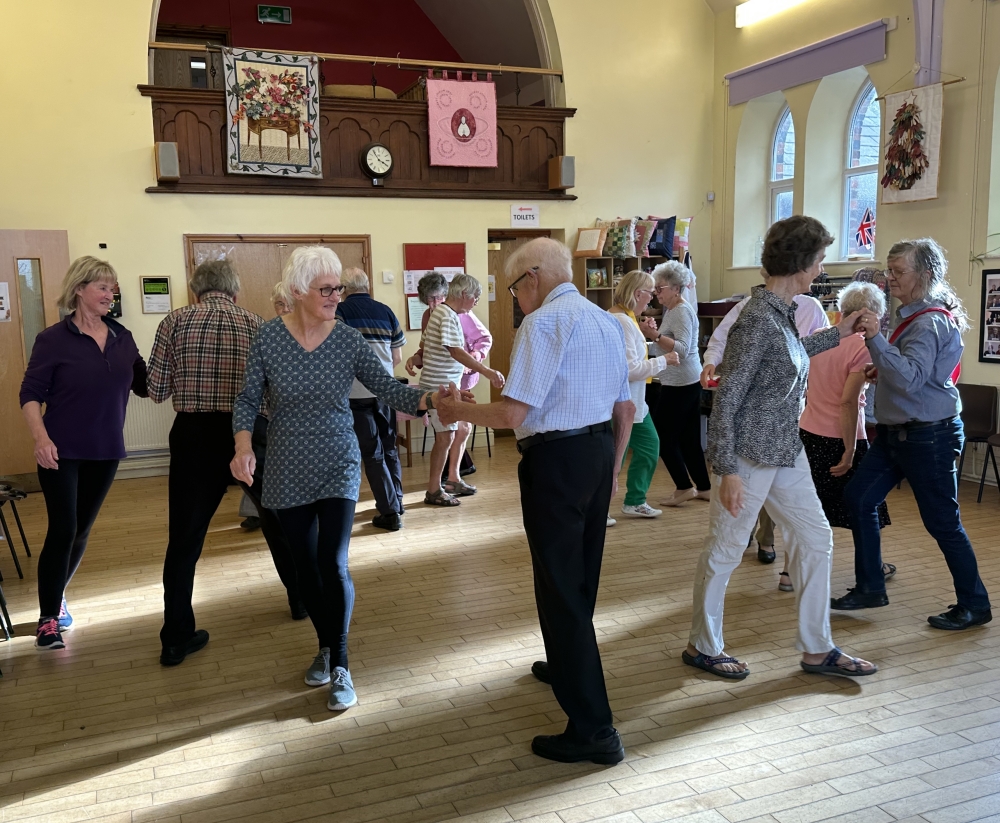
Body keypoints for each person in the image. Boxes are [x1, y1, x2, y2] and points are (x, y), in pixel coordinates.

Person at [436, 237, 634, 765]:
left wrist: (455, 411)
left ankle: (594, 729)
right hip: (593, 456)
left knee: (559, 582)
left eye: (514, 288)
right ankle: (564, 661)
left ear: (533, 279)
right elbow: (625, 409)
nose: (516, 299)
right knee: (578, 576)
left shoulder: (543, 324)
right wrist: (613, 471)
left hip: (557, 463)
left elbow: (511, 416)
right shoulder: (605, 321)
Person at [230, 246, 437, 712]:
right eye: (327, 289)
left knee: (334, 563)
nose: (336, 297)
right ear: (299, 290)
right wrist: (244, 447)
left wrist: (434, 400)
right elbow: (247, 402)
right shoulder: (267, 339)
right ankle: (325, 645)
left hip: (338, 459)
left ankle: (339, 662)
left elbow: (386, 387)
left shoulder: (346, 339)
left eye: (338, 288)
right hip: (285, 464)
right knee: (305, 570)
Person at [685, 215, 877, 681]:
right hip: (749, 456)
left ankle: (817, 649)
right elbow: (727, 396)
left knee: (815, 539)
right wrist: (726, 469)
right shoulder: (756, 319)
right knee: (726, 549)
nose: (821, 270)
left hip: (784, 450)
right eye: (819, 261)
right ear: (802, 262)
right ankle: (702, 646)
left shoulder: (780, 312)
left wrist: (841, 331)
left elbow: (789, 358)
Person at [832, 238, 993, 630]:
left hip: (928, 437)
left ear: (925, 275)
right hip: (898, 434)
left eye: (898, 271)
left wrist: (875, 342)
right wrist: (880, 367)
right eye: (889, 271)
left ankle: (975, 604)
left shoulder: (928, 322)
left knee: (942, 523)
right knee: (858, 498)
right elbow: (907, 373)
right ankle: (871, 586)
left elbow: (910, 379)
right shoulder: (912, 316)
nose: (890, 279)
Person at [19, 257, 148, 650]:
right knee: (63, 529)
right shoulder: (53, 339)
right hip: (60, 449)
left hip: (105, 449)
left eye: (113, 288)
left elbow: (145, 383)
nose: (111, 294)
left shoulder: (122, 336)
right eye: (103, 287)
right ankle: (47, 619)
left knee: (81, 530)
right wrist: (41, 440)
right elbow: (30, 394)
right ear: (80, 289)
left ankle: (57, 596)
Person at [148, 259, 265, 666]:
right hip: (247, 435)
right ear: (234, 289)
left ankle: (176, 638)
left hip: (193, 436)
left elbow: (157, 390)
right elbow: (270, 390)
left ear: (196, 289)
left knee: (184, 540)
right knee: (281, 525)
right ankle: (302, 600)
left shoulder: (174, 322)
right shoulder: (257, 323)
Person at [701, 279, 829, 565]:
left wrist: (842, 333)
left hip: (790, 422)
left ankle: (768, 542)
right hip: (755, 423)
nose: (819, 270)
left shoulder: (812, 308)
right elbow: (721, 341)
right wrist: (711, 360)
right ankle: (746, 533)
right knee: (749, 496)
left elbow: (807, 351)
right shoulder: (753, 312)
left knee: (805, 522)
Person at [790, 282, 892, 594]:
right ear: (871, 314)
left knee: (808, 509)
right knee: (864, 509)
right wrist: (849, 450)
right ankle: (874, 570)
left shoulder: (820, 337)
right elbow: (848, 403)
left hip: (809, 431)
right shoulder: (862, 347)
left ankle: (791, 572)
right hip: (842, 436)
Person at [419, 274, 504, 506]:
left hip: (445, 385)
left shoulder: (444, 314)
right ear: (464, 294)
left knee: (457, 431)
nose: (476, 301)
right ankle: (434, 490)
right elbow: (456, 351)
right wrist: (488, 372)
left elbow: (424, 344)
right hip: (440, 387)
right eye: (475, 296)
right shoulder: (446, 315)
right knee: (445, 438)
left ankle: (451, 481)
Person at [336, 266, 407, 531]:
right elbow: (397, 357)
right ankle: (397, 502)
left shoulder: (340, 313)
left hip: (357, 395)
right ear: (366, 285)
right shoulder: (386, 311)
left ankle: (389, 513)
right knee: (389, 448)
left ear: (344, 289)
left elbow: (338, 356)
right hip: (386, 392)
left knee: (372, 453)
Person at [406, 271, 488, 477]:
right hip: (442, 379)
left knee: (459, 428)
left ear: (447, 294)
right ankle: (450, 475)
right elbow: (429, 347)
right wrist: (415, 358)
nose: (433, 303)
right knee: (451, 429)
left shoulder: (463, 313)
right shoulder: (429, 315)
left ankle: (453, 473)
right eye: (429, 299)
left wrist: (475, 358)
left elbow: (484, 339)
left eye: (437, 298)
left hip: (462, 375)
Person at [644, 261, 711, 507]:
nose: (656, 294)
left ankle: (684, 486)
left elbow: (681, 349)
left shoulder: (681, 311)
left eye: (659, 289)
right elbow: (664, 346)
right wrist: (642, 345)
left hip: (682, 384)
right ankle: (704, 487)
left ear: (675, 288)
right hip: (683, 382)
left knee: (662, 436)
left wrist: (654, 337)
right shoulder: (671, 310)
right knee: (689, 439)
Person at [609, 269, 673, 518]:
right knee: (614, 460)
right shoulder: (623, 321)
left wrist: (645, 334)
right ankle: (600, 507)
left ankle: (635, 500)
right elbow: (631, 369)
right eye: (650, 293)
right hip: (622, 404)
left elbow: (631, 356)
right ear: (637, 293)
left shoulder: (625, 318)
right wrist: (664, 361)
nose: (653, 299)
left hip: (634, 403)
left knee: (648, 447)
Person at [239, 282, 292, 531]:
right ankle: (257, 511)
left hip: (290, 415)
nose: (283, 309)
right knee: (261, 462)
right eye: (278, 304)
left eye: (287, 304)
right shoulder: (267, 333)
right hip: (266, 410)